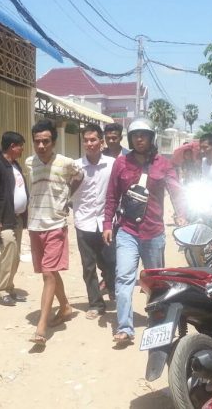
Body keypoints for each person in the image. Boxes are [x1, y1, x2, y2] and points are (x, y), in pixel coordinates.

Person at [102, 118, 186, 344]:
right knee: (123, 278)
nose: (139, 139)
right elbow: (111, 196)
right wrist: (107, 224)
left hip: (154, 233)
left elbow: (176, 191)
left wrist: (181, 214)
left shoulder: (163, 164)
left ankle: (158, 323)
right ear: (130, 139)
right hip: (127, 231)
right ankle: (124, 328)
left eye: (144, 135)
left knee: (156, 282)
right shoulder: (121, 163)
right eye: (135, 135)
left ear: (151, 138)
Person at [25, 119, 83, 346]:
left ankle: (41, 327)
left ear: (54, 142)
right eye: (37, 141)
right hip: (34, 224)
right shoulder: (30, 162)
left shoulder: (66, 163)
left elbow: (80, 176)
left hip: (56, 224)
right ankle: (65, 306)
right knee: (48, 272)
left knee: (48, 273)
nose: (41, 146)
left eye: (46, 141)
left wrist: (67, 197)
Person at [72, 124, 116, 320]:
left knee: (110, 262)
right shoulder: (75, 167)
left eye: (93, 140)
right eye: (86, 140)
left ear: (101, 142)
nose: (89, 144)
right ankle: (96, 303)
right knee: (88, 266)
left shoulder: (113, 164)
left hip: (107, 223)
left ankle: (112, 286)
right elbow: (65, 189)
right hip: (84, 221)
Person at [0, 131, 29, 307]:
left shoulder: (15, 165)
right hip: (3, 219)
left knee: (15, 256)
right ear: (12, 146)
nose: (22, 150)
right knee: (8, 252)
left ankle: (9, 288)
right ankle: (0, 291)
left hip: (16, 218)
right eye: (20, 146)